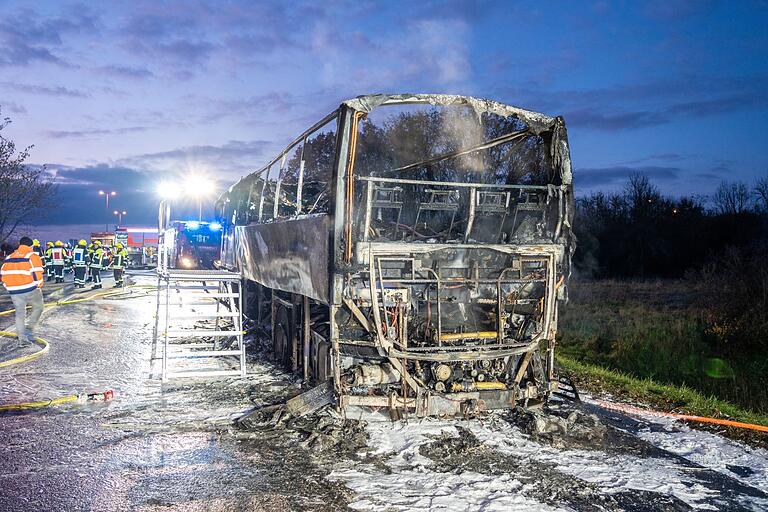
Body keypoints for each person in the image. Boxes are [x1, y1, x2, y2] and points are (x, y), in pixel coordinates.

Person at [1, 237, 44, 348]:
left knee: (20, 314)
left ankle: (22, 340)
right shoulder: (32, 256)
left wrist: (7, 287)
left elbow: (3, 274)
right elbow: (37, 273)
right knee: (39, 307)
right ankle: (29, 329)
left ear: (20, 245)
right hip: (30, 288)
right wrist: (38, 285)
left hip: (14, 291)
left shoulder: (9, 257)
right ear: (31, 246)